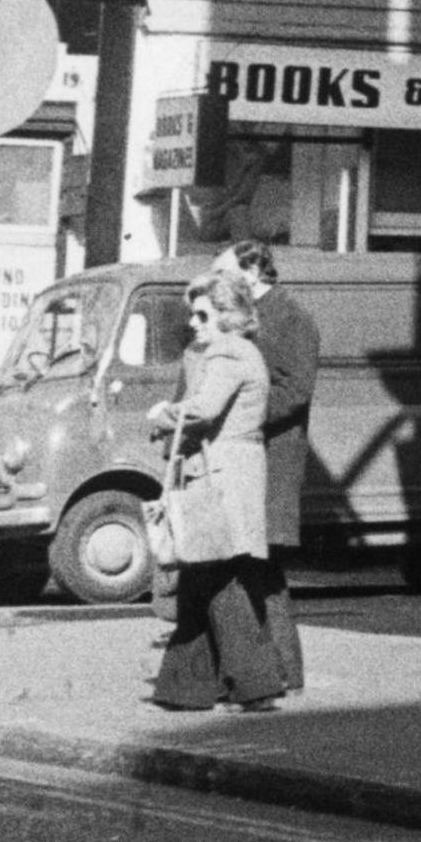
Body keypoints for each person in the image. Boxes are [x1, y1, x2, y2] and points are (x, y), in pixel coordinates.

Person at [149, 277, 283, 713]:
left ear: (227, 316)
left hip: (219, 477)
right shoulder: (248, 351)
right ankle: (188, 687)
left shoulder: (227, 351)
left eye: (203, 314)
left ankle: (254, 685)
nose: (194, 323)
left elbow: (202, 409)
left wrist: (161, 414)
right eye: (193, 314)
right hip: (234, 472)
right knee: (205, 580)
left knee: (216, 579)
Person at [215, 241, 318, 695]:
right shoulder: (239, 316)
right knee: (251, 568)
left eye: (226, 271)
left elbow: (296, 390)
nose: (219, 280)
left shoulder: (292, 317)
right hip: (247, 455)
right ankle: (266, 671)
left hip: (272, 458)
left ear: (254, 269)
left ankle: (281, 671)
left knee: (265, 569)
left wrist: (244, 410)